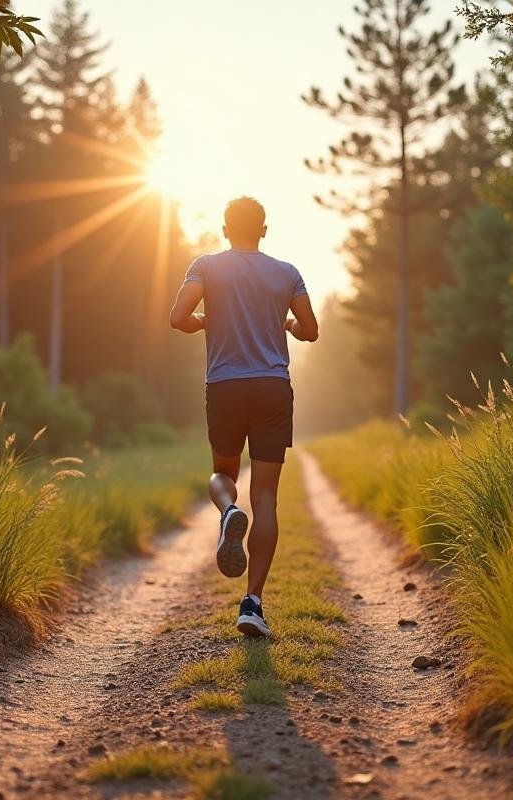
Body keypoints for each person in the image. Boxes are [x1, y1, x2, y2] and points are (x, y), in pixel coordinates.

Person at [167, 196, 318, 638]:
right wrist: (287, 326)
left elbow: (177, 318)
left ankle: (228, 508)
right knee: (267, 497)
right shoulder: (287, 273)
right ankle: (252, 604)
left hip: (226, 386)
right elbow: (310, 329)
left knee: (223, 474)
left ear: (225, 228)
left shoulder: (206, 266)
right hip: (272, 387)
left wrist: (203, 321)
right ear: (265, 230)